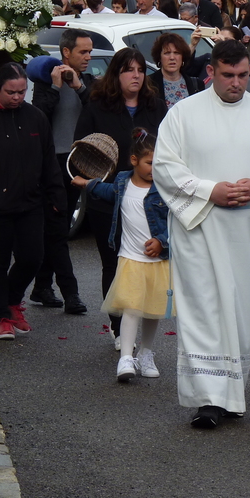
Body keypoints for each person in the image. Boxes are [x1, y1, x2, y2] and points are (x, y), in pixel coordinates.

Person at [153, 39, 250, 428]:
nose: (236, 83)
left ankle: (230, 394)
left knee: (243, 312)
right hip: (201, 231)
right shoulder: (183, 114)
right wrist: (209, 190)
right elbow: (164, 167)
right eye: (228, 75)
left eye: (243, 75)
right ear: (211, 72)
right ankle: (209, 399)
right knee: (204, 312)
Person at [0, 63, 65, 341]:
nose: (17, 97)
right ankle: (1, 317)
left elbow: (48, 159)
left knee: (32, 258)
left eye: (22, 92)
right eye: (11, 92)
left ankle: (11, 301)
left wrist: (56, 196)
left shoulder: (35, 117)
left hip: (29, 203)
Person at [75, 48, 167, 349]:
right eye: (128, 70)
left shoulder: (155, 106)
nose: (136, 76)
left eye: (140, 70)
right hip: (108, 198)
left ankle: (142, 327)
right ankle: (118, 328)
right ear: (116, 74)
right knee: (113, 263)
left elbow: (170, 148)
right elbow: (81, 147)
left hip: (149, 199)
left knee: (146, 263)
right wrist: (89, 181)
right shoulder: (98, 106)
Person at [73, 128, 170, 382]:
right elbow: (107, 192)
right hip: (130, 259)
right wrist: (88, 184)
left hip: (157, 261)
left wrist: (162, 241)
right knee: (132, 307)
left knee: (152, 310)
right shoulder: (122, 182)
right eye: (150, 162)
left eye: (159, 163)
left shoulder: (165, 188)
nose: (155, 168)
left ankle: (146, 353)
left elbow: (176, 221)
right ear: (134, 160)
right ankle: (126, 357)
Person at [29, 29, 96, 315]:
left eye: (90, 51)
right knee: (57, 229)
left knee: (58, 228)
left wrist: (79, 87)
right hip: (53, 163)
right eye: (83, 51)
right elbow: (39, 117)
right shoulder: (46, 82)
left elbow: (97, 110)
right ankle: (71, 293)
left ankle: (41, 286)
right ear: (66, 53)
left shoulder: (87, 82)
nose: (88, 57)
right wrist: (56, 88)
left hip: (79, 162)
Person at [149, 32, 204, 108]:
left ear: (182, 57)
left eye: (176, 53)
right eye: (167, 53)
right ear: (159, 57)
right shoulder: (148, 84)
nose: (172, 57)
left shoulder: (196, 85)